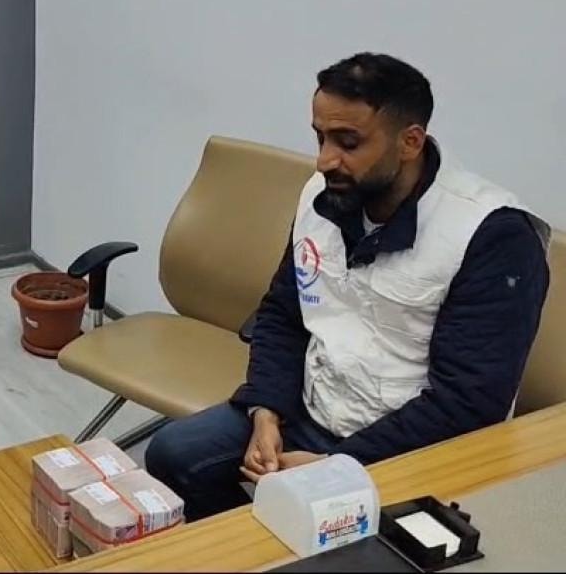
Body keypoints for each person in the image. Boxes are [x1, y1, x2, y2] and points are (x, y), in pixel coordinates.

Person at [144, 52, 551, 522]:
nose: (324, 160)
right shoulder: (327, 194)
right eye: (320, 137)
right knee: (174, 455)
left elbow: (467, 404)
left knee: (336, 533)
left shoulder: (493, 236)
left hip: (408, 445)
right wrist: (266, 411)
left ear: (410, 142)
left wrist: (338, 467)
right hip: (313, 408)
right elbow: (283, 313)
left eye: (348, 142)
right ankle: (264, 542)